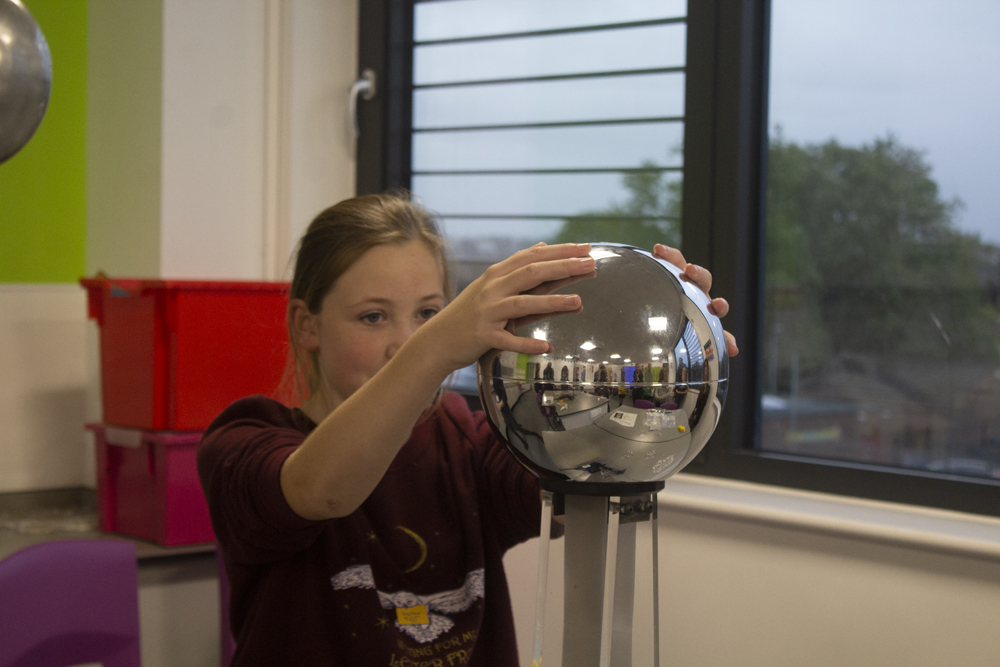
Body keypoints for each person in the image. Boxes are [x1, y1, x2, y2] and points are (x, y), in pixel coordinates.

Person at [197, 192, 737, 666]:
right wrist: (437, 346)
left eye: (428, 314)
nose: (404, 344)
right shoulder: (242, 442)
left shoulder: (467, 443)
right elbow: (321, 491)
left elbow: (578, 477)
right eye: (373, 317)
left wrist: (663, 341)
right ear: (306, 326)